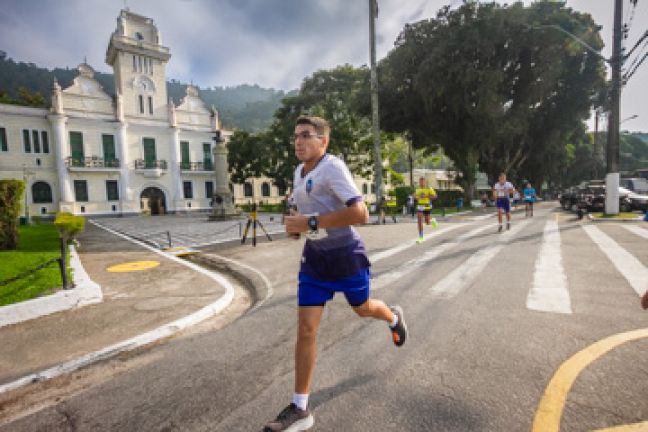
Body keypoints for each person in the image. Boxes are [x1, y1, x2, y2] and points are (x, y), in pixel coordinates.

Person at [264, 116, 408, 432]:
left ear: (323, 141)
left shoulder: (333, 167)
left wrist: (311, 223)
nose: (299, 142)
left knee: (364, 308)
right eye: (296, 136)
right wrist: (296, 225)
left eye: (306, 135)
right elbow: (304, 211)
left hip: (346, 258)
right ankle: (300, 408)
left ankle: (393, 317)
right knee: (306, 330)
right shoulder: (298, 172)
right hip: (315, 260)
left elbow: (360, 213)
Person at [414, 177, 438, 243]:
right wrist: (416, 197)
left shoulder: (429, 189)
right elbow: (415, 196)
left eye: (422, 182)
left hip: (427, 206)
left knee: (427, 222)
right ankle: (421, 237)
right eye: (420, 182)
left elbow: (435, 196)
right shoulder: (417, 189)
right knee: (419, 221)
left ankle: (432, 220)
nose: (421, 183)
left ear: (425, 182)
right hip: (420, 206)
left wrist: (426, 196)